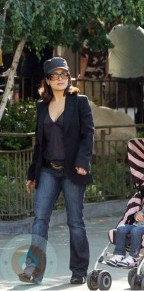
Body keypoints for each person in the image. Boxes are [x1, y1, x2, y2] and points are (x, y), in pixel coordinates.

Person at [18, 57, 95, 285]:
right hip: (48, 171)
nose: (60, 79)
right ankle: (33, 269)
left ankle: (79, 270)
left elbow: (88, 134)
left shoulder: (79, 102)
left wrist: (83, 161)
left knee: (75, 222)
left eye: (64, 74)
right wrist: (33, 174)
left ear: (68, 77)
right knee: (40, 220)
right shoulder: (42, 107)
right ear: (48, 80)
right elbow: (39, 144)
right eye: (55, 75)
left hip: (73, 170)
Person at [108, 21, 144, 124]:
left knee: (114, 106)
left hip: (116, 76)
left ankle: (112, 130)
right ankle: (139, 129)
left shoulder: (116, 30)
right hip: (137, 78)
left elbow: (106, 49)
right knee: (137, 106)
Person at [78, 19, 109, 105]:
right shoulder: (104, 42)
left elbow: (84, 60)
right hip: (99, 77)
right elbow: (107, 58)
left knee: (85, 104)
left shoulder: (88, 42)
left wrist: (81, 76)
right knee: (99, 104)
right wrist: (106, 73)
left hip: (87, 77)